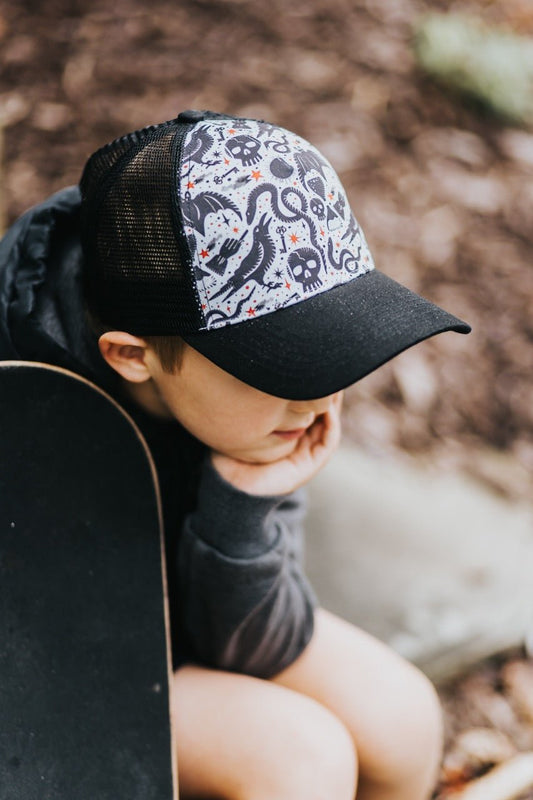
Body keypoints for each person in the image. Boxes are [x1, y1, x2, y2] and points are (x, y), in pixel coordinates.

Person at [0, 109, 470, 800]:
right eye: (283, 367)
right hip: (49, 649)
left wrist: (242, 512)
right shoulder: (30, 408)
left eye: (331, 352)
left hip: (176, 623)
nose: (318, 399)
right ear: (132, 356)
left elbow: (247, 643)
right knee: (297, 761)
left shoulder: (262, 419)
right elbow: (50, 666)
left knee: (403, 717)